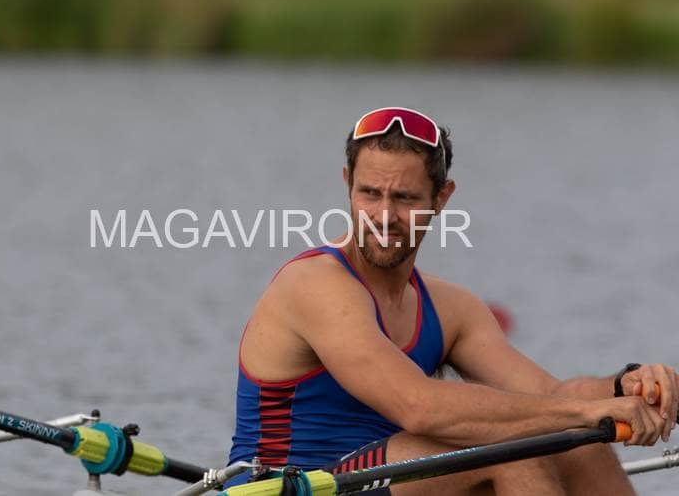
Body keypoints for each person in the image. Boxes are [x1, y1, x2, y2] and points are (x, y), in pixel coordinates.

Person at [225, 107, 678, 494]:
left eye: (405, 198)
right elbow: (417, 405)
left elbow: (550, 396)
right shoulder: (314, 284)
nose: (384, 215)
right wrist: (585, 411)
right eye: (370, 194)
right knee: (518, 447)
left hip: (384, 481)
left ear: (441, 198)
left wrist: (627, 388)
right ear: (348, 185)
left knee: (578, 437)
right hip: (290, 484)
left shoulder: (451, 307)